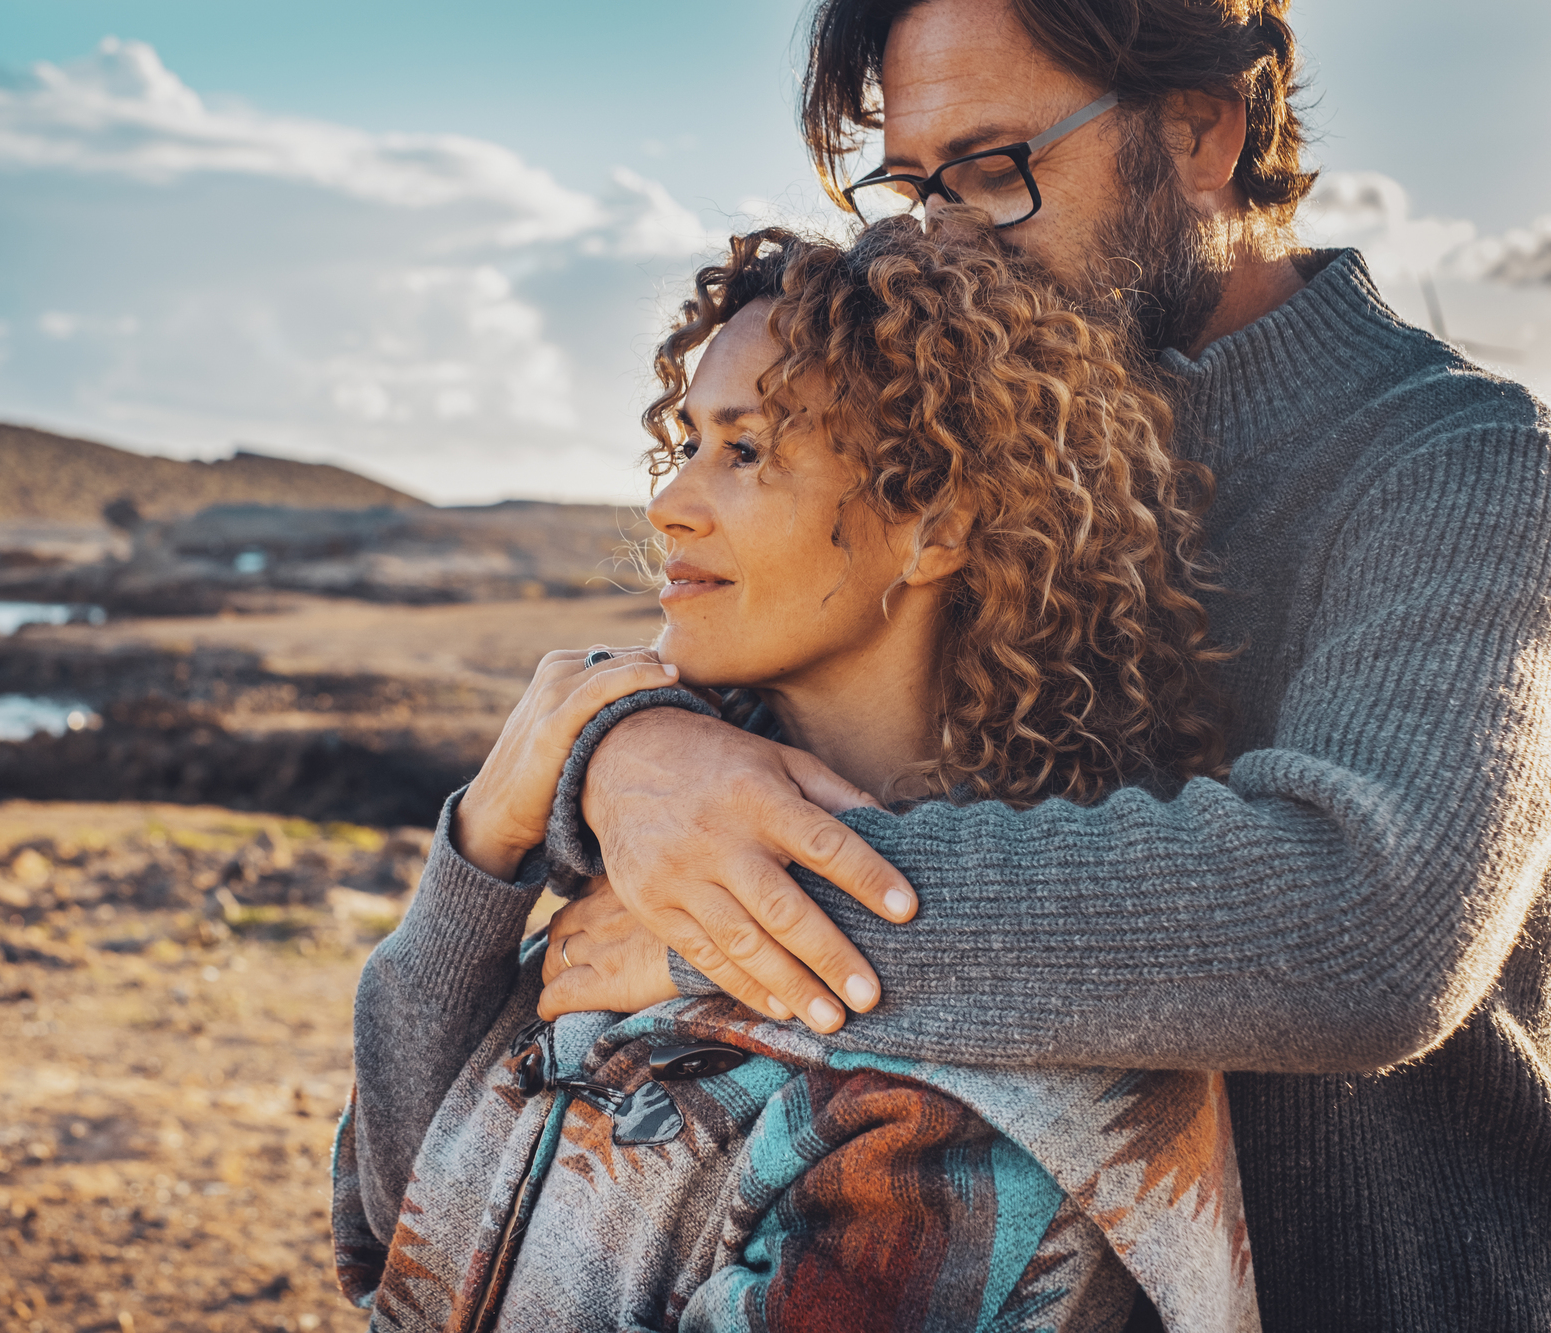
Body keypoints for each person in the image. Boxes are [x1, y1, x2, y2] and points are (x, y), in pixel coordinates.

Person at [537, 0, 1551, 1326]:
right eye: (909, 188)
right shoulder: (958, 444)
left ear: (1200, 132)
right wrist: (626, 745)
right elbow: (785, 637)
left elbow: (1368, 924)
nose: (948, 236)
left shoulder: (1458, 462)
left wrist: (736, 924)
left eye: (996, 169)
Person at [336, 219, 1257, 1332]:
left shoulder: (967, 1112)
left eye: (742, 449)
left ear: (936, 522)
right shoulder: (666, 845)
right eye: (684, 443)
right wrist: (486, 835)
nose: (667, 502)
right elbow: (388, 1225)